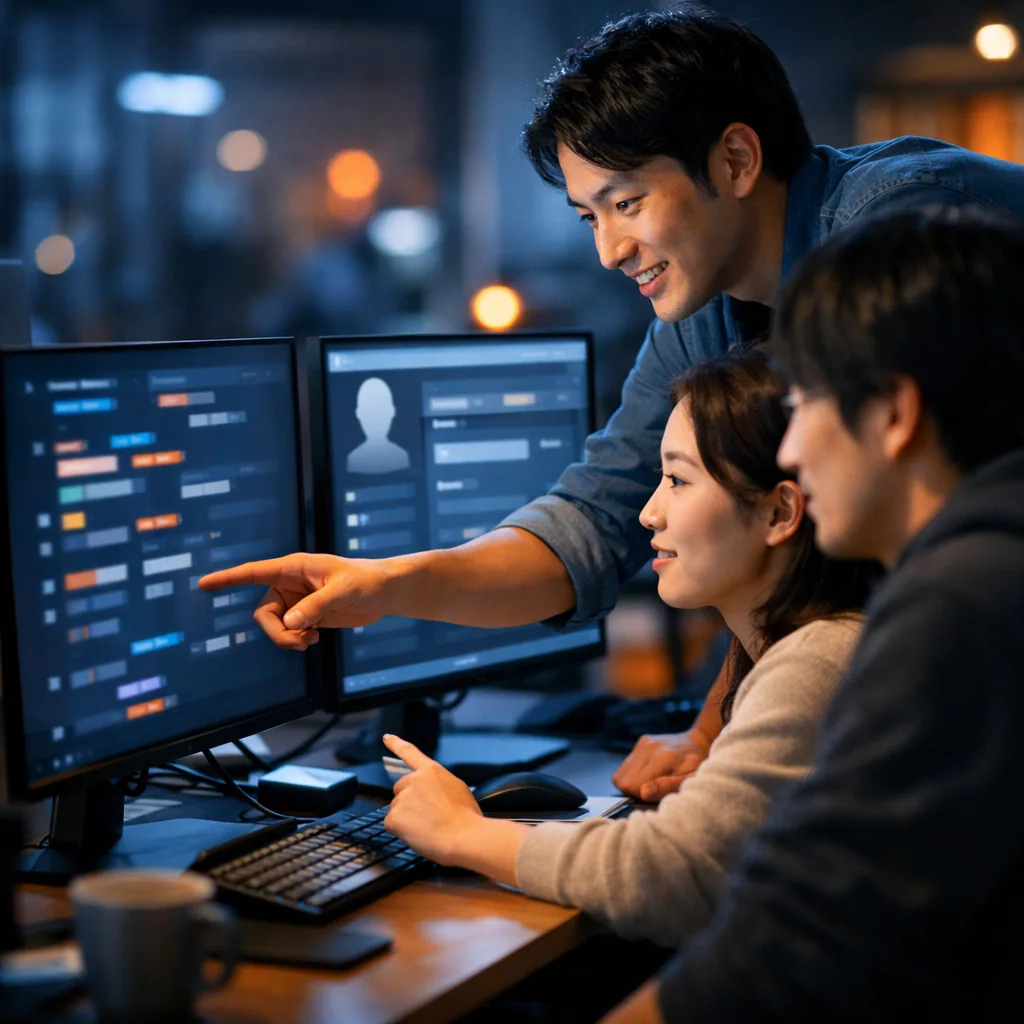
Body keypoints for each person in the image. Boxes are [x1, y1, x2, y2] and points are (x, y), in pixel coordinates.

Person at [198, 5, 1024, 802]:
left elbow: (877, 555)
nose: (609, 250)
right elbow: (595, 523)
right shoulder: (704, 310)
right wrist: (386, 585)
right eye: (589, 214)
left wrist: (722, 730)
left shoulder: (904, 237)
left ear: (736, 161)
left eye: (627, 204)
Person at [600, 209, 1024, 1022]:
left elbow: (783, 948)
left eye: (809, 402)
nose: (790, 451)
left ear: (894, 416)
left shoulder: (958, 610)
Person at [378, 348, 878, 948]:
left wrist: (462, 833)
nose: (647, 512)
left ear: (779, 511)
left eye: (678, 479)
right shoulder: (796, 651)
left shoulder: (820, 659)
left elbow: (670, 879)